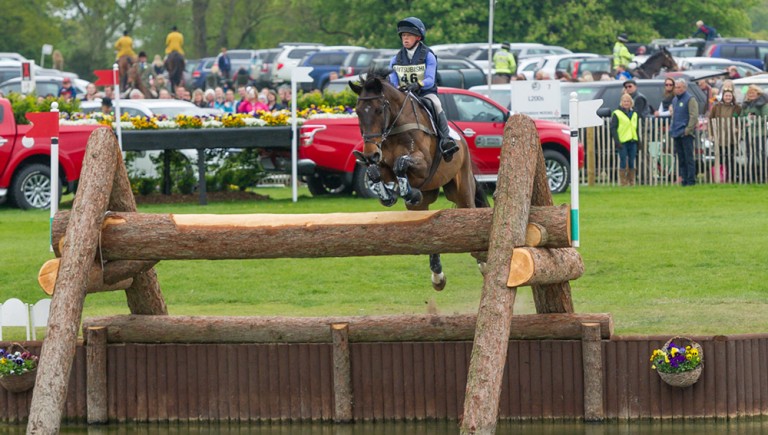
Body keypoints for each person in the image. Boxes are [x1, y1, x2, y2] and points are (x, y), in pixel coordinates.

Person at [388, 16, 458, 161]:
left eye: (409, 36)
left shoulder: (428, 56)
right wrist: (397, 88)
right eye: (403, 36)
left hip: (424, 93)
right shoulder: (396, 59)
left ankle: (446, 140)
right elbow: (393, 79)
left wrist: (418, 84)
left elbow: (430, 80)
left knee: (437, 104)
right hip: (404, 94)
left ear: (418, 37)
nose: (405, 39)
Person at [670, 79, 699, 186]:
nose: (677, 89)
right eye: (676, 87)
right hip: (677, 132)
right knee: (681, 158)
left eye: (679, 87)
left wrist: (688, 130)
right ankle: (684, 179)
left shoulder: (690, 99)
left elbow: (693, 115)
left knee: (688, 158)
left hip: (686, 133)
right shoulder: (674, 100)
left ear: (684, 88)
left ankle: (691, 180)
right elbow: (674, 116)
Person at [709, 89, 741, 180]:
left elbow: (740, 119)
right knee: (720, 158)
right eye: (726, 96)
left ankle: (732, 176)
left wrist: (738, 128)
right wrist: (711, 133)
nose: (728, 97)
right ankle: (722, 177)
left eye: (729, 96)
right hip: (719, 137)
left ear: (732, 97)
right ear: (723, 97)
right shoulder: (717, 107)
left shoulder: (737, 108)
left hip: (731, 137)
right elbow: (710, 119)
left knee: (730, 158)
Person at [610, 94, 640, 186]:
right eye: (624, 101)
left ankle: (631, 181)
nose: (626, 103)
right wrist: (617, 141)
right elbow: (613, 128)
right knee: (623, 160)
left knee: (631, 161)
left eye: (628, 101)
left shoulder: (634, 113)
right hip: (622, 141)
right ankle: (623, 182)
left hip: (632, 140)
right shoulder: (617, 113)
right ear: (621, 102)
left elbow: (636, 128)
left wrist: (638, 141)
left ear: (631, 103)